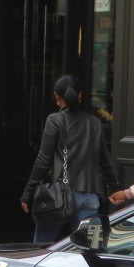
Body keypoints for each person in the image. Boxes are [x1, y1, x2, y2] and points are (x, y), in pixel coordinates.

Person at [20, 74, 119, 243]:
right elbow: (105, 160)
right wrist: (113, 188)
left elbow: (43, 160)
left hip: (59, 196)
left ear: (57, 97)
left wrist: (28, 193)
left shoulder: (54, 120)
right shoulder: (94, 122)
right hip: (89, 195)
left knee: (43, 247)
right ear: (80, 95)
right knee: (89, 251)